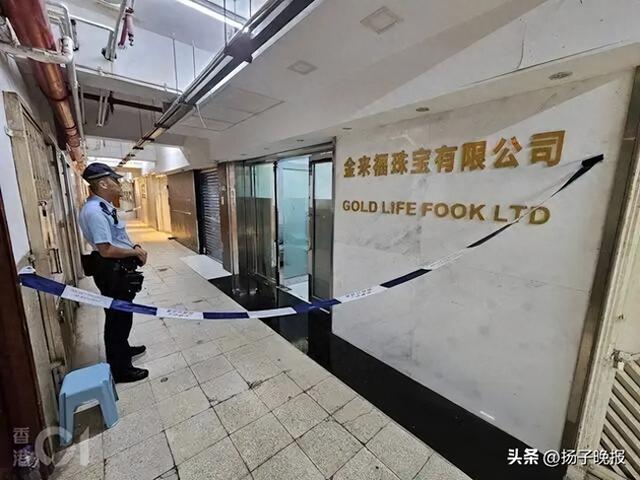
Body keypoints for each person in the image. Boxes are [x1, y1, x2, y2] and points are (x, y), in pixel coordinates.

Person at [78, 163, 149, 383]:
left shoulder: (103, 207)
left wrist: (134, 247)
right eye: (115, 180)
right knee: (117, 319)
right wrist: (135, 252)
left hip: (117, 268)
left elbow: (117, 237)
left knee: (121, 316)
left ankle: (123, 350)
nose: (119, 183)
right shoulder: (94, 211)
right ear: (103, 183)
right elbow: (106, 249)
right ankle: (121, 369)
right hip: (111, 269)